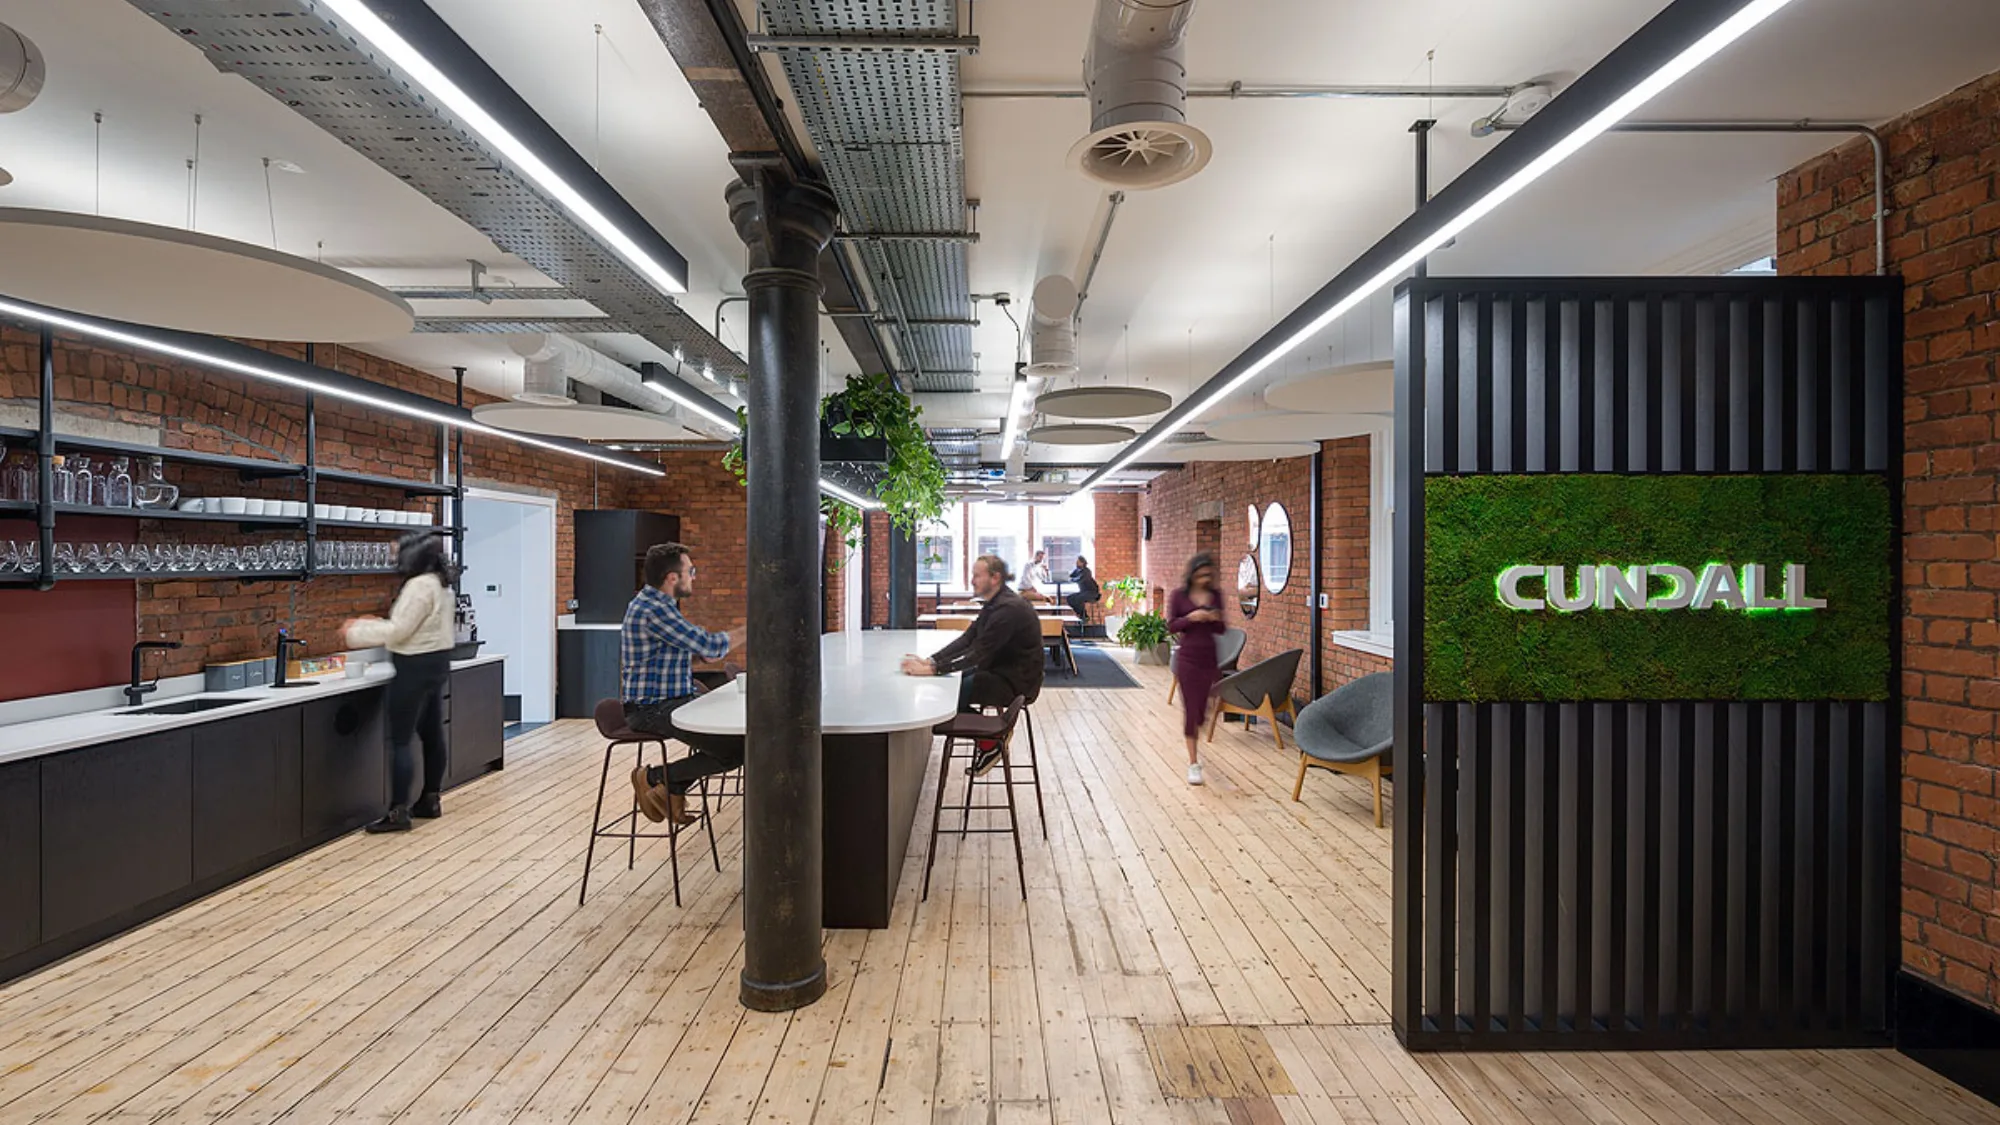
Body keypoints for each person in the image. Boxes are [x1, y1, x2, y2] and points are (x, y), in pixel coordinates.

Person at [342, 531, 457, 833]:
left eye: (397, 553)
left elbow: (399, 630)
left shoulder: (418, 586)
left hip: (413, 665)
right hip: (437, 662)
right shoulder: (441, 583)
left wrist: (356, 630)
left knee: (401, 739)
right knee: (432, 734)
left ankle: (398, 812)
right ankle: (430, 799)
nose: (394, 558)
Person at [623, 543, 740, 826]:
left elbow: (681, 653)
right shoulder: (654, 610)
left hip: (673, 701)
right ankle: (656, 778)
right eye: (691, 571)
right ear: (672, 578)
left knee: (736, 739)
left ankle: (672, 786)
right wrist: (754, 630)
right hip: (652, 709)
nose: (694, 577)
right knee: (735, 749)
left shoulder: (660, 606)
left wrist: (698, 655)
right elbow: (710, 645)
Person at [901, 554, 1043, 776]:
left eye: (977, 575)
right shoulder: (996, 603)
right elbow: (968, 638)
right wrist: (932, 660)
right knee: (948, 688)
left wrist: (932, 671)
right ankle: (991, 740)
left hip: (1015, 683)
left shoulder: (1008, 609)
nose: (972, 580)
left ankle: (991, 742)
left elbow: (978, 653)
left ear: (995, 578)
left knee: (946, 696)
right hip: (1000, 671)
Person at [1166, 552, 1226, 786]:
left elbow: (1221, 629)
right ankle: (1193, 763)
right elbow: (1172, 626)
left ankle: (1196, 734)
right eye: (1200, 575)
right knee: (1191, 711)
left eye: (1208, 575)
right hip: (1188, 658)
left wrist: (1212, 617)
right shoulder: (1179, 596)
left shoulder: (1216, 595)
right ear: (1192, 575)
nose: (1204, 579)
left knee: (1202, 712)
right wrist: (1191, 618)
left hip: (1209, 658)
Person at [1066, 555, 1101, 621]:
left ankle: (1084, 616)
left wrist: (1072, 579)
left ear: (1082, 563)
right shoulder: (1077, 570)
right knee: (1069, 598)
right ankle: (1082, 614)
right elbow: (1070, 576)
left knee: (1078, 599)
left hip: (1092, 593)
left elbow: (1080, 579)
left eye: (1078, 562)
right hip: (1083, 592)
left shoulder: (1087, 571)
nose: (1076, 563)